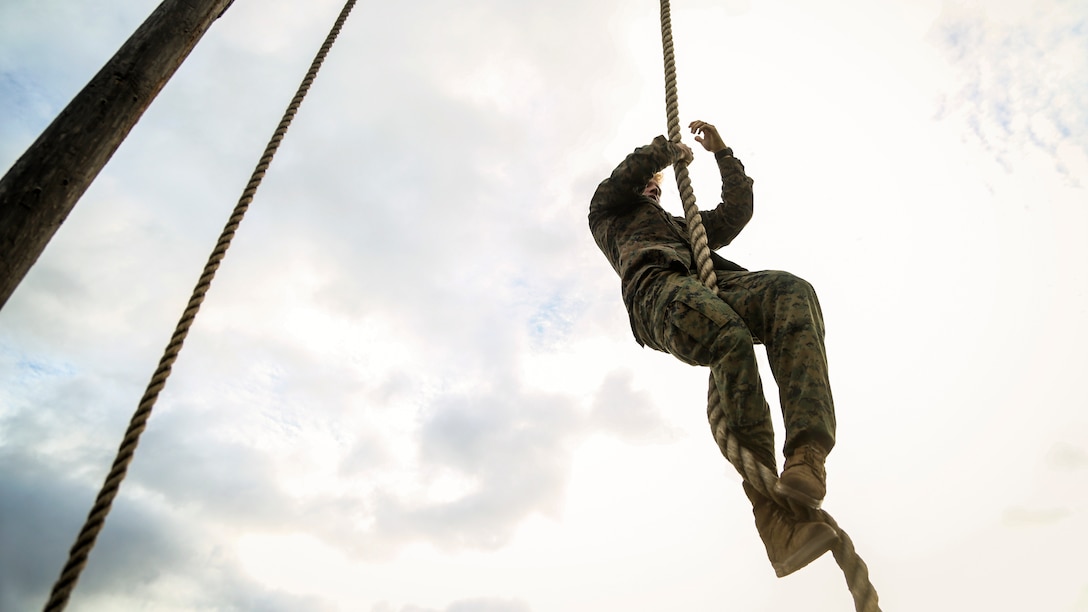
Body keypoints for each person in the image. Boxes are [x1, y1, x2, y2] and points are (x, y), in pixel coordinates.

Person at [588, 120, 839, 577]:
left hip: (719, 288)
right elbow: (628, 174)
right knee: (728, 337)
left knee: (791, 291)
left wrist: (723, 154)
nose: (652, 189)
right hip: (659, 291)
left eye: (656, 187)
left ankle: (807, 456)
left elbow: (736, 211)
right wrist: (667, 152)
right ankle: (774, 519)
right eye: (649, 184)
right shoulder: (608, 212)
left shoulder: (686, 227)